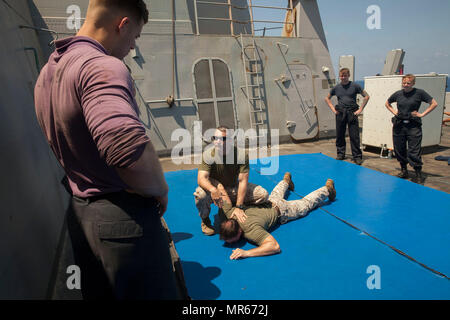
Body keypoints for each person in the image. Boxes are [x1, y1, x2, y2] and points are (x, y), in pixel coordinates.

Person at [34, 0, 180, 299]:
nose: (131, 47)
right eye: (135, 37)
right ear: (122, 24)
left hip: (82, 215)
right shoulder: (103, 66)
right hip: (124, 223)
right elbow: (124, 147)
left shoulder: (48, 71)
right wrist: (159, 188)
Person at [218, 173, 336, 259]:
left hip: (283, 211)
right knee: (276, 193)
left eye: (231, 241)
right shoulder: (232, 213)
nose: (230, 243)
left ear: (239, 233)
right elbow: (222, 194)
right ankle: (285, 181)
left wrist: (246, 253)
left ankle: (327, 189)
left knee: (306, 204)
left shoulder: (251, 231)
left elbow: (274, 246)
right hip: (269, 201)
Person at [194, 126, 269, 235]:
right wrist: (213, 189)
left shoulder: (241, 155)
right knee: (200, 195)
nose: (218, 141)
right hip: (215, 191)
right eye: (215, 138)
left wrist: (239, 206)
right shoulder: (208, 155)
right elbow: (201, 178)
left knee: (263, 194)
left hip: (232, 188)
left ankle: (235, 206)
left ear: (230, 140)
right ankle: (205, 220)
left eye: (222, 139)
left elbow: (243, 181)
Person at [385, 74, 438, 184]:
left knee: (414, 150)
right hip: (399, 125)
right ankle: (404, 170)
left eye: (408, 83)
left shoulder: (419, 93)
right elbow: (387, 103)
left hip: (413, 125)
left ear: (413, 83)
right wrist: (394, 112)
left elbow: (434, 103)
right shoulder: (398, 94)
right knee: (399, 149)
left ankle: (418, 173)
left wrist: (422, 114)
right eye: (404, 83)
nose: (406, 85)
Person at [325, 68, 370, 165]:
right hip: (340, 113)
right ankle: (341, 154)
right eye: (341, 76)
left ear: (348, 76)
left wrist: (360, 109)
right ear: (339, 76)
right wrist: (334, 110)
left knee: (354, 136)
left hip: (352, 112)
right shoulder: (336, 88)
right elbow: (327, 98)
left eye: (345, 76)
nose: (343, 78)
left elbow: (366, 96)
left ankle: (357, 156)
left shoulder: (355, 86)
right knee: (340, 134)